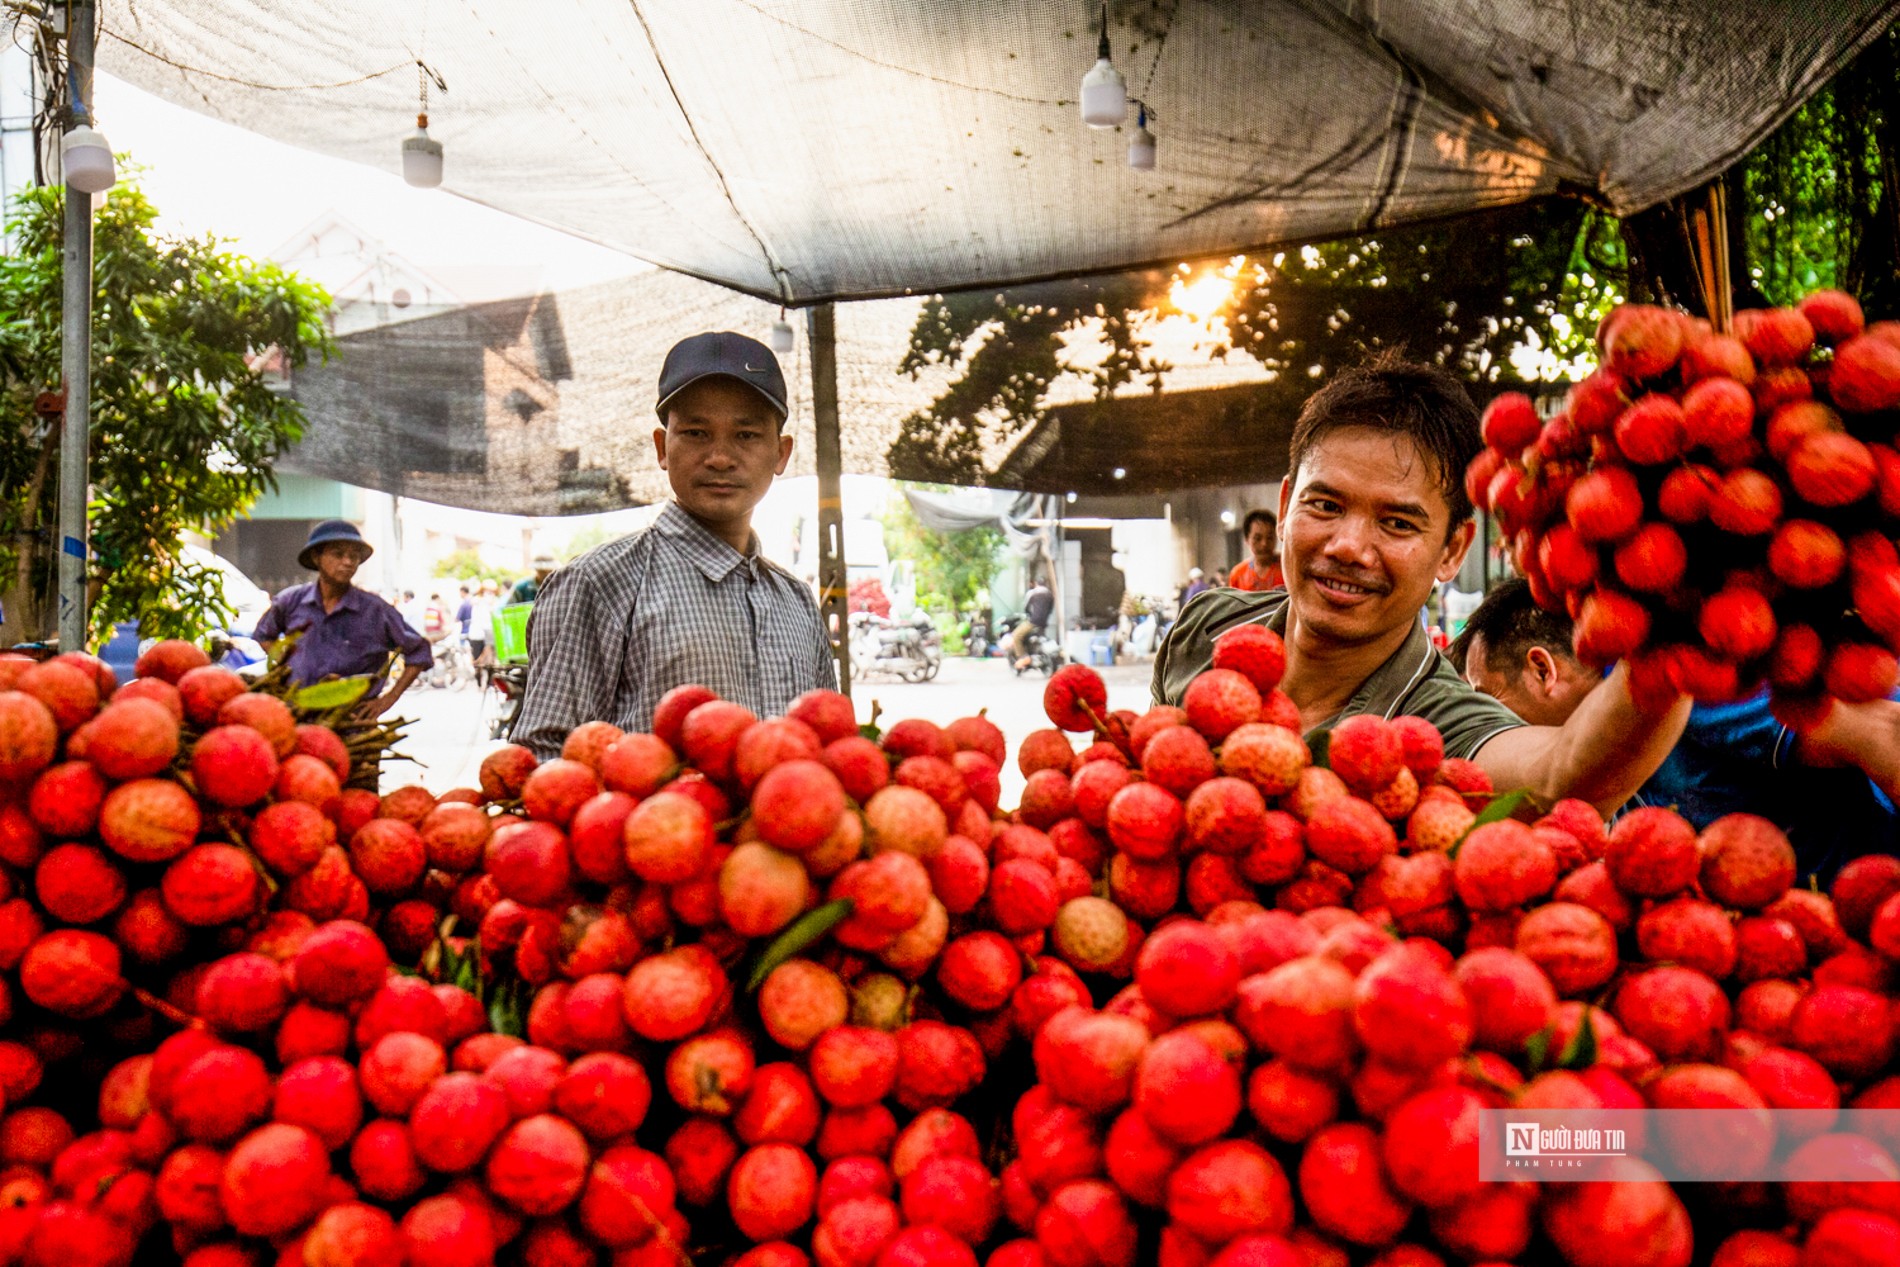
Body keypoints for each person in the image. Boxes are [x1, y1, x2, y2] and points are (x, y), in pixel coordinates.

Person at [1152, 356, 1691, 817]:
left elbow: (1560, 778)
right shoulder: (1207, 628)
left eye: (1398, 523)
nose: (1348, 546)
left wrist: (1683, 613)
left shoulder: (1436, 726)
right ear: (1286, 504)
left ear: (1453, 550)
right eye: (1325, 505)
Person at [514, 331, 837, 759]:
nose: (720, 457)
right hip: (655, 826)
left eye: (746, 435)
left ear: (781, 453)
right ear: (663, 447)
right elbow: (545, 758)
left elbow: (825, 748)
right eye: (697, 432)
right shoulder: (599, 584)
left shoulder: (795, 601)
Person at [1452, 576, 1900, 883]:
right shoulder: (1611, 775)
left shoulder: (1675, 678)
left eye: (1487, 698)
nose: (1493, 726)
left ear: (1542, 670)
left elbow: (1884, 733)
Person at [253, 521, 432, 718]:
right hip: (296, 715)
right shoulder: (290, 601)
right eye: (338, 554)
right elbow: (264, 635)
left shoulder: (376, 610)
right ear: (316, 557)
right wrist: (287, 666)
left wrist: (387, 699)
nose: (347, 562)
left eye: (353, 556)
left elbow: (419, 651)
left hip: (353, 721)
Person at [1228, 509, 1285, 591]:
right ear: (1247, 539)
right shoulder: (1238, 574)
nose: (1264, 544)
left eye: (1269, 538)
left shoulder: (1288, 567)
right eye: (1258, 538)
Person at [1012, 575, 1056, 670]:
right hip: (1044, 623)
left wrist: (1030, 614)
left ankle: (1024, 657)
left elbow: (1026, 607)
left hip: (1033, 621)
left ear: (1036, 583)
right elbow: (1051, 609)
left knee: (1016, 635)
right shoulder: (1049, 594)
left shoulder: (1032, 593)